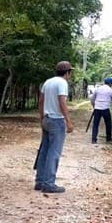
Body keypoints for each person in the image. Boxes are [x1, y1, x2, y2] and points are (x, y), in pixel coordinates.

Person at [34, 61, 75, 193]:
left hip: (46, 118)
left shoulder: (48, 82)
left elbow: (41, 101)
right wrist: (68, 121)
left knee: (44, 150)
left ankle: (39, 181)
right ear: (67, 72)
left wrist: (42, 118)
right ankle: (49, 183)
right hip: (57, 120)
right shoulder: (62, 83)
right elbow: (62, 102)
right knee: (54, 152)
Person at [89, 76, 112, 143]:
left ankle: (93, 139)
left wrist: (94, 106)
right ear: (110, 83)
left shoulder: (98, 89)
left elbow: (92, 99)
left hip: (97, 108)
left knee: (95, 124)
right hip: (105, 109)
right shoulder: (111, 91)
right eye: (111, 83)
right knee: (108, 124)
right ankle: (108, 139)